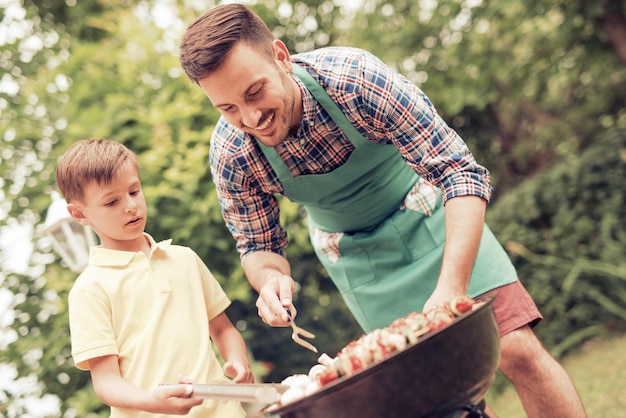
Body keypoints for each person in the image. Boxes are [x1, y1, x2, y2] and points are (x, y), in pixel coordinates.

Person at [178, 4, 586, 417]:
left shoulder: (353, 78)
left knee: (513, 347)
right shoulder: (232, 153)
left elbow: (459, 174)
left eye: (254, 92)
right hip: (358, 261)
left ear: (281, 57)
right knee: (440, 398)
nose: (250, 118)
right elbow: (258, 245)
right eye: (227, 108)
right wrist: (269, 282)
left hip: (433, 217)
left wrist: (451, 288)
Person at [55, 138, 254, 418]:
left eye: (134, 191)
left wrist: (237, 360)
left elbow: (223, 330)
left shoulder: (184, 258)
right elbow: (106, 381)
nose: (130, 206)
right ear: (79, 214)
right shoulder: (90, 289)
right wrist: (151, 401)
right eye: (112, 201)